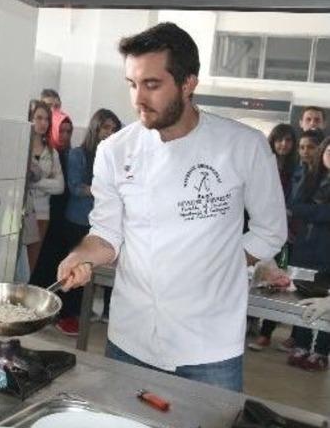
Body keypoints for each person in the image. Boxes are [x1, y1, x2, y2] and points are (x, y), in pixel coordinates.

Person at [57, 22, 288, 392]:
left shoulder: (243, 146)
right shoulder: (115, 150)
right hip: (130, 338)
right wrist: (80, 256)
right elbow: (105, 234)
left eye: (152, 84)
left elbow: (270, 230)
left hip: (209, 345)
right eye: (132, 84)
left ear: (188, 83)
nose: (137, 99)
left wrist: (219, 262)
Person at [58, 109, 121, 335]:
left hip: (105, 225)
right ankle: (67, 315)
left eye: (114, 129)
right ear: (95, 128)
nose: (109, 133)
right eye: (105, 128)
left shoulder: (116, 156)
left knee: (97, 271)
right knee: (75, 272)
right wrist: (103, 190)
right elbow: (75, 187)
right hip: (78, 219)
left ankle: (94, 312)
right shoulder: (78, 154)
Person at [249, 123, 298, 351]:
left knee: (278, 282)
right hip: (257, 232)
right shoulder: (261, 164)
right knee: (255, 277)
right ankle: (250, 324)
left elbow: (294, 205)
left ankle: (267, 332)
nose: (283, 144)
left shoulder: (297, 171)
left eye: (288, 140)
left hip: (287, 237)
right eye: (279, 140)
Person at [287, 138, 330, 371]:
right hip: (305, 249)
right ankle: (301, 344)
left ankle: (321, 352)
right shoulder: (311, 178)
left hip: (327, 253)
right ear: (322, 153)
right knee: (302, 298)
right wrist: (320, 212)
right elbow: (294, 204)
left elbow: (308, 210)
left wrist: (312, 211)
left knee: (326, 301)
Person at [25, 100, 64, 275]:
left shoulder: (52, 151)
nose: (42, 123)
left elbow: (60, 186)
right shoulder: (22, 147)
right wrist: (46, 183)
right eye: (38, 118)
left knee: (29, 267)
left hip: (42, 213)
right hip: (22, 211)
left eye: (46, 119)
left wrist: (35, 182)